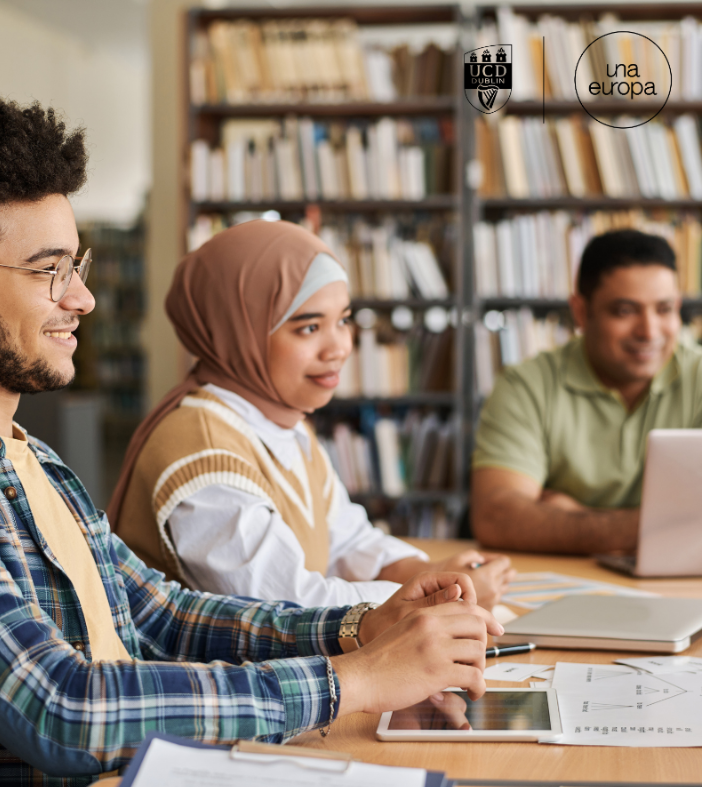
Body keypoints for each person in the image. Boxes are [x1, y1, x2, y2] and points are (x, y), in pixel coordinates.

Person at [0, 90, 504, 787]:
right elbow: (59, 707)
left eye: (78, 266)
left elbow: (160, 614)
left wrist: (363, 627)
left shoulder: (26, 456)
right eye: (48, 270)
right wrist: (358, 679)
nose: (83, 299)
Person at [108, 221, 513, 612]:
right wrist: (433, 596)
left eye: (343, 320)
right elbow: (290, 608)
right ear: (238, 332)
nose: (338, 347)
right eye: (308, 328)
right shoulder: (200, 451)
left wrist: (437, 575)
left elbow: (350, 543)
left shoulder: (284, 424)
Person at [471, 229, 702, 555]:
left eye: (664, 309)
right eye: (624, 310)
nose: (649, 331)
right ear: (581, 312)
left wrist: (575, 516)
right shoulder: (527, 385)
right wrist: (666, 526)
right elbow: (497, 516)